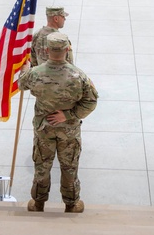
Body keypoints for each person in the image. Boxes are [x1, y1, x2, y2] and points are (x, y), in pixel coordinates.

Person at [19, 32, 98, 213]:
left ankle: (38, 203)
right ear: (67, 49)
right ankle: (71, 204)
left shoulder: (34, 74)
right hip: (69, 131)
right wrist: (68, 115)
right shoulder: (78, 76)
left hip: (43, 129)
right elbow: (91, 102)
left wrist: (25, 68)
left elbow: (21, 84)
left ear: (46, 50)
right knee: (69, 166)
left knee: (42, 165)